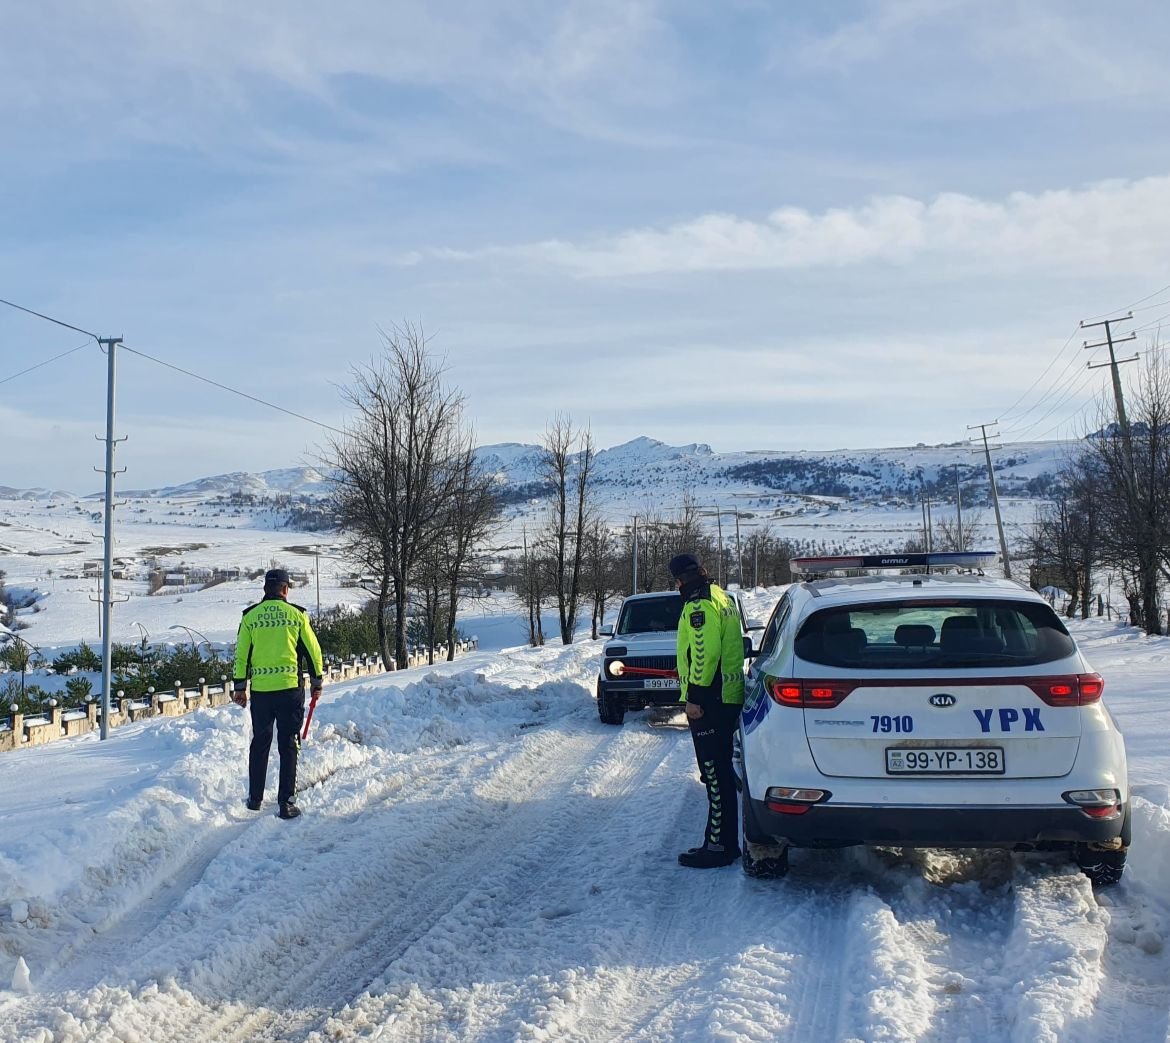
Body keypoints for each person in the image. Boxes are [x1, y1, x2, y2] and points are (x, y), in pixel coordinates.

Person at [671, 553, 746, 868]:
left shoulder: (699, 604)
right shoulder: (721, 596)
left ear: (680, 580)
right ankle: (722, 841)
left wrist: (695, 698)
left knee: (714, 775)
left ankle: (719, 846)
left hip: (710, 701)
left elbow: (705, 654)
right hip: (726, 697)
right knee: (722, 773)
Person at [233, 567, 324, 819]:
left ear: (265, 589)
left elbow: (241, 656)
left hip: (261, 692)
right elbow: (313, 651)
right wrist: (317, 681)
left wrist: (240, 687)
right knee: (289, 744)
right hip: (290, 690)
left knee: (260, 743)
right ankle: (287, 802)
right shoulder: (297, 615)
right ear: (285, 589)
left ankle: (255, 799)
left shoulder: (250, 617)